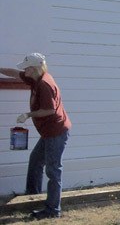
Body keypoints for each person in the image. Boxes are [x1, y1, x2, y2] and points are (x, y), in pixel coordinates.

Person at [0, 53, 71, 219]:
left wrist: (27, 115)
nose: (24, 71)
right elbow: (13, 73)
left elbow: (50, 110)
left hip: (56, 131)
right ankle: (32, 196)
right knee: (36, 161)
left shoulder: (45, 84)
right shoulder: (35, 78)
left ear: (34, 68)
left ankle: (53, 210)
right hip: (48, 132)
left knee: (53, 171)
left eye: (27, 68)